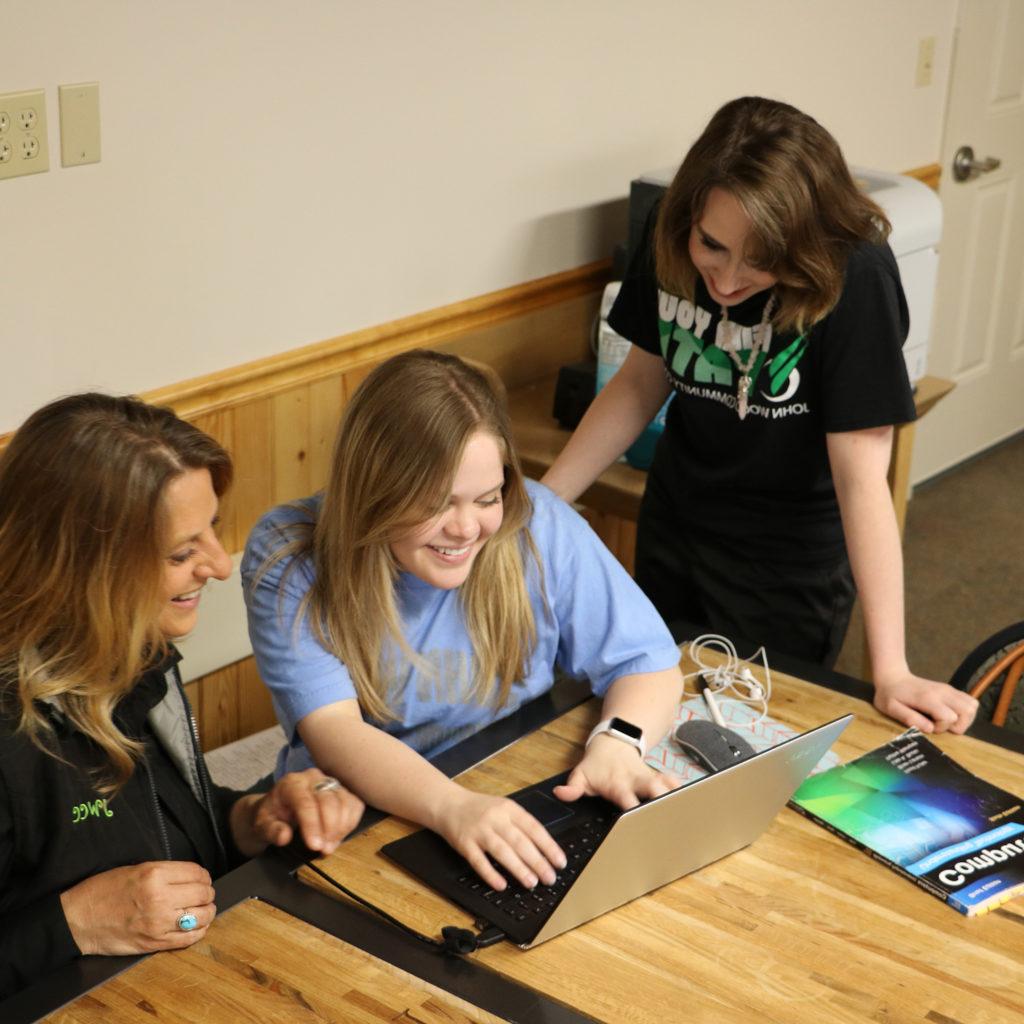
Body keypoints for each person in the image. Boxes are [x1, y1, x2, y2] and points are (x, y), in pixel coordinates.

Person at [541, 96, 977, 736]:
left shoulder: (855, 274)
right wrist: (543, 508)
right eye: (712, 247)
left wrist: (892, 668)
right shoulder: (670, 230)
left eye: (762, 258)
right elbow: (640, 381)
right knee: (647, 722)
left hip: (788, 564)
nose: (725, 280)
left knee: (742, 741)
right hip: (678, 525)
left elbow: (862, 481)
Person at [243, 349, 684, 895]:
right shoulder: (287, 552)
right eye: (437, 503)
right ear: (374, 490)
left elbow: (648, 661)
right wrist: (454, 808)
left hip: (501, 775)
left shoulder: (538, 521)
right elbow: (335, 731)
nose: (467, 529)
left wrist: (617, 744)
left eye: (488, 498)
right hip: (348, 811)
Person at [0, 394, 364, 999]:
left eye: (213, 533)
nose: (220, 567)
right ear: (84, 568)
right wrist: (73, 925)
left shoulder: (138, 655)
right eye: (181, 553)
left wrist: (251, 818)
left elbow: (152, 823)